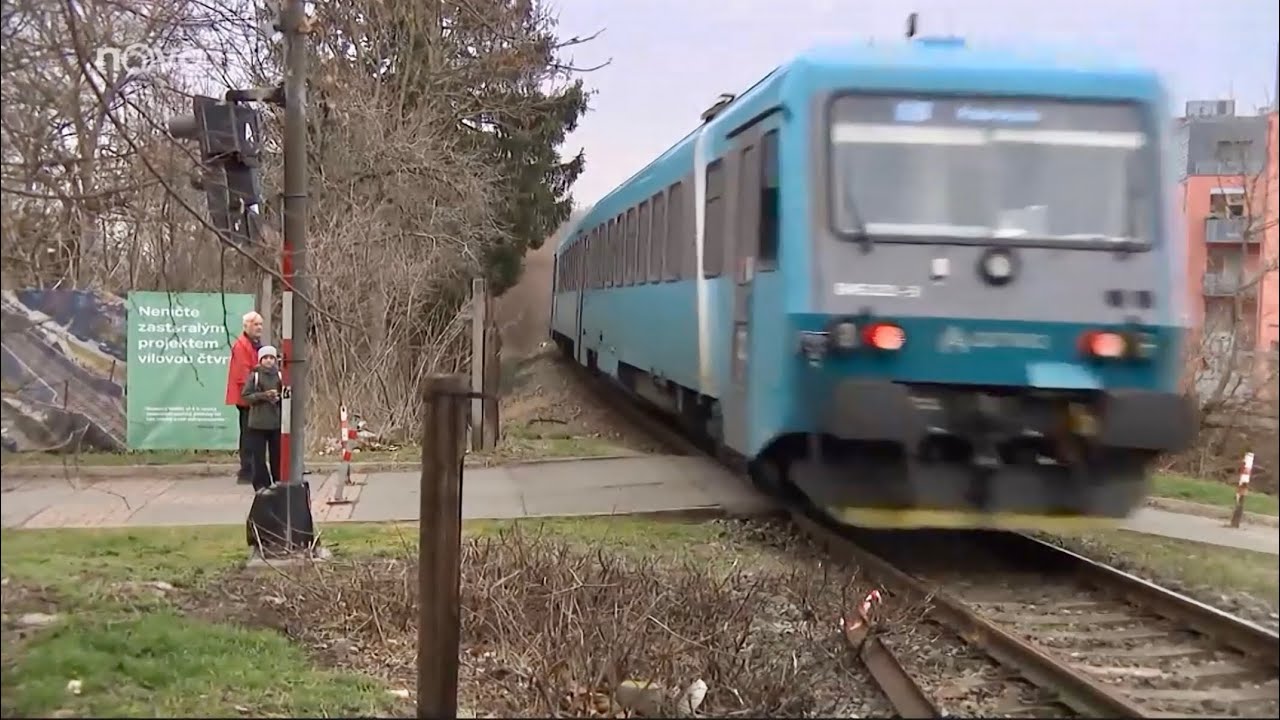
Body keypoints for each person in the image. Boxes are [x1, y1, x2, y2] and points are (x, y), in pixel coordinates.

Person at [225, 311, 264, 484]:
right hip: (246, 396)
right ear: (246, 326)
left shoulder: (253, 344)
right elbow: (244, 373)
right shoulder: (242, 345)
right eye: (256, 324)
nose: (259, 328)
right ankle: (247, 469)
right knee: (248, 433)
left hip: (251, 395)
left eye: (260, 324)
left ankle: (251, 467)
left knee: (252, 433)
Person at [241, 345, 283, 491]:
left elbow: (287, 395)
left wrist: (278, 398)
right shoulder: (255, 376)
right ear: (260, 360)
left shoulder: (280, 375)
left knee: (276, 456)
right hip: (257, 423)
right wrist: (263, 396)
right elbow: (246, 396)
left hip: (275, 423)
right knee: (258, 457)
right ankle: (261, 484)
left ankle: (278, 481)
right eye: (265, 358)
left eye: (271, 358)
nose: (269, 361)